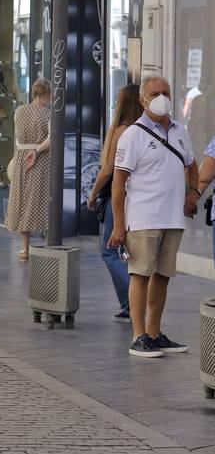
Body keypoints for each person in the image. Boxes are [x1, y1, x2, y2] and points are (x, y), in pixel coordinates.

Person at [108, 75, 199, 358]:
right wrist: (119, 225)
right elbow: (118, 183)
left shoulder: (180, 130)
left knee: (162, 276)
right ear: (142, 100)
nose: (162, 97)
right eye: (155, 93)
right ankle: (139, 335)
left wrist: (193, 193)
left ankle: (155, 332)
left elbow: (192, 164)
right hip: (143, 219)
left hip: (172, 218)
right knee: (140, 275)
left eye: (165, 92)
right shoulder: (132, 135)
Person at [87, 84, 141, 321]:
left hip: (119, 196)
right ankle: (128, 304)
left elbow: (108, 170)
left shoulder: (121, 131)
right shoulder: (144, 130)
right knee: (123, 251)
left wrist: (92, 193)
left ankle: (137, 299)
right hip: (139, 197)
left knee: (108, 250)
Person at [4, 78, 51, 261]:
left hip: (21, 159)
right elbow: (51, 139)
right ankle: (47, 242)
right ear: (46, 95)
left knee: (21, 200)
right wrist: (36, 150)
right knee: (36, 200)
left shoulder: (20, 111)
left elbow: (17, 138)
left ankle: (25, 249)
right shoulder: (47, 115)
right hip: (39, 160)